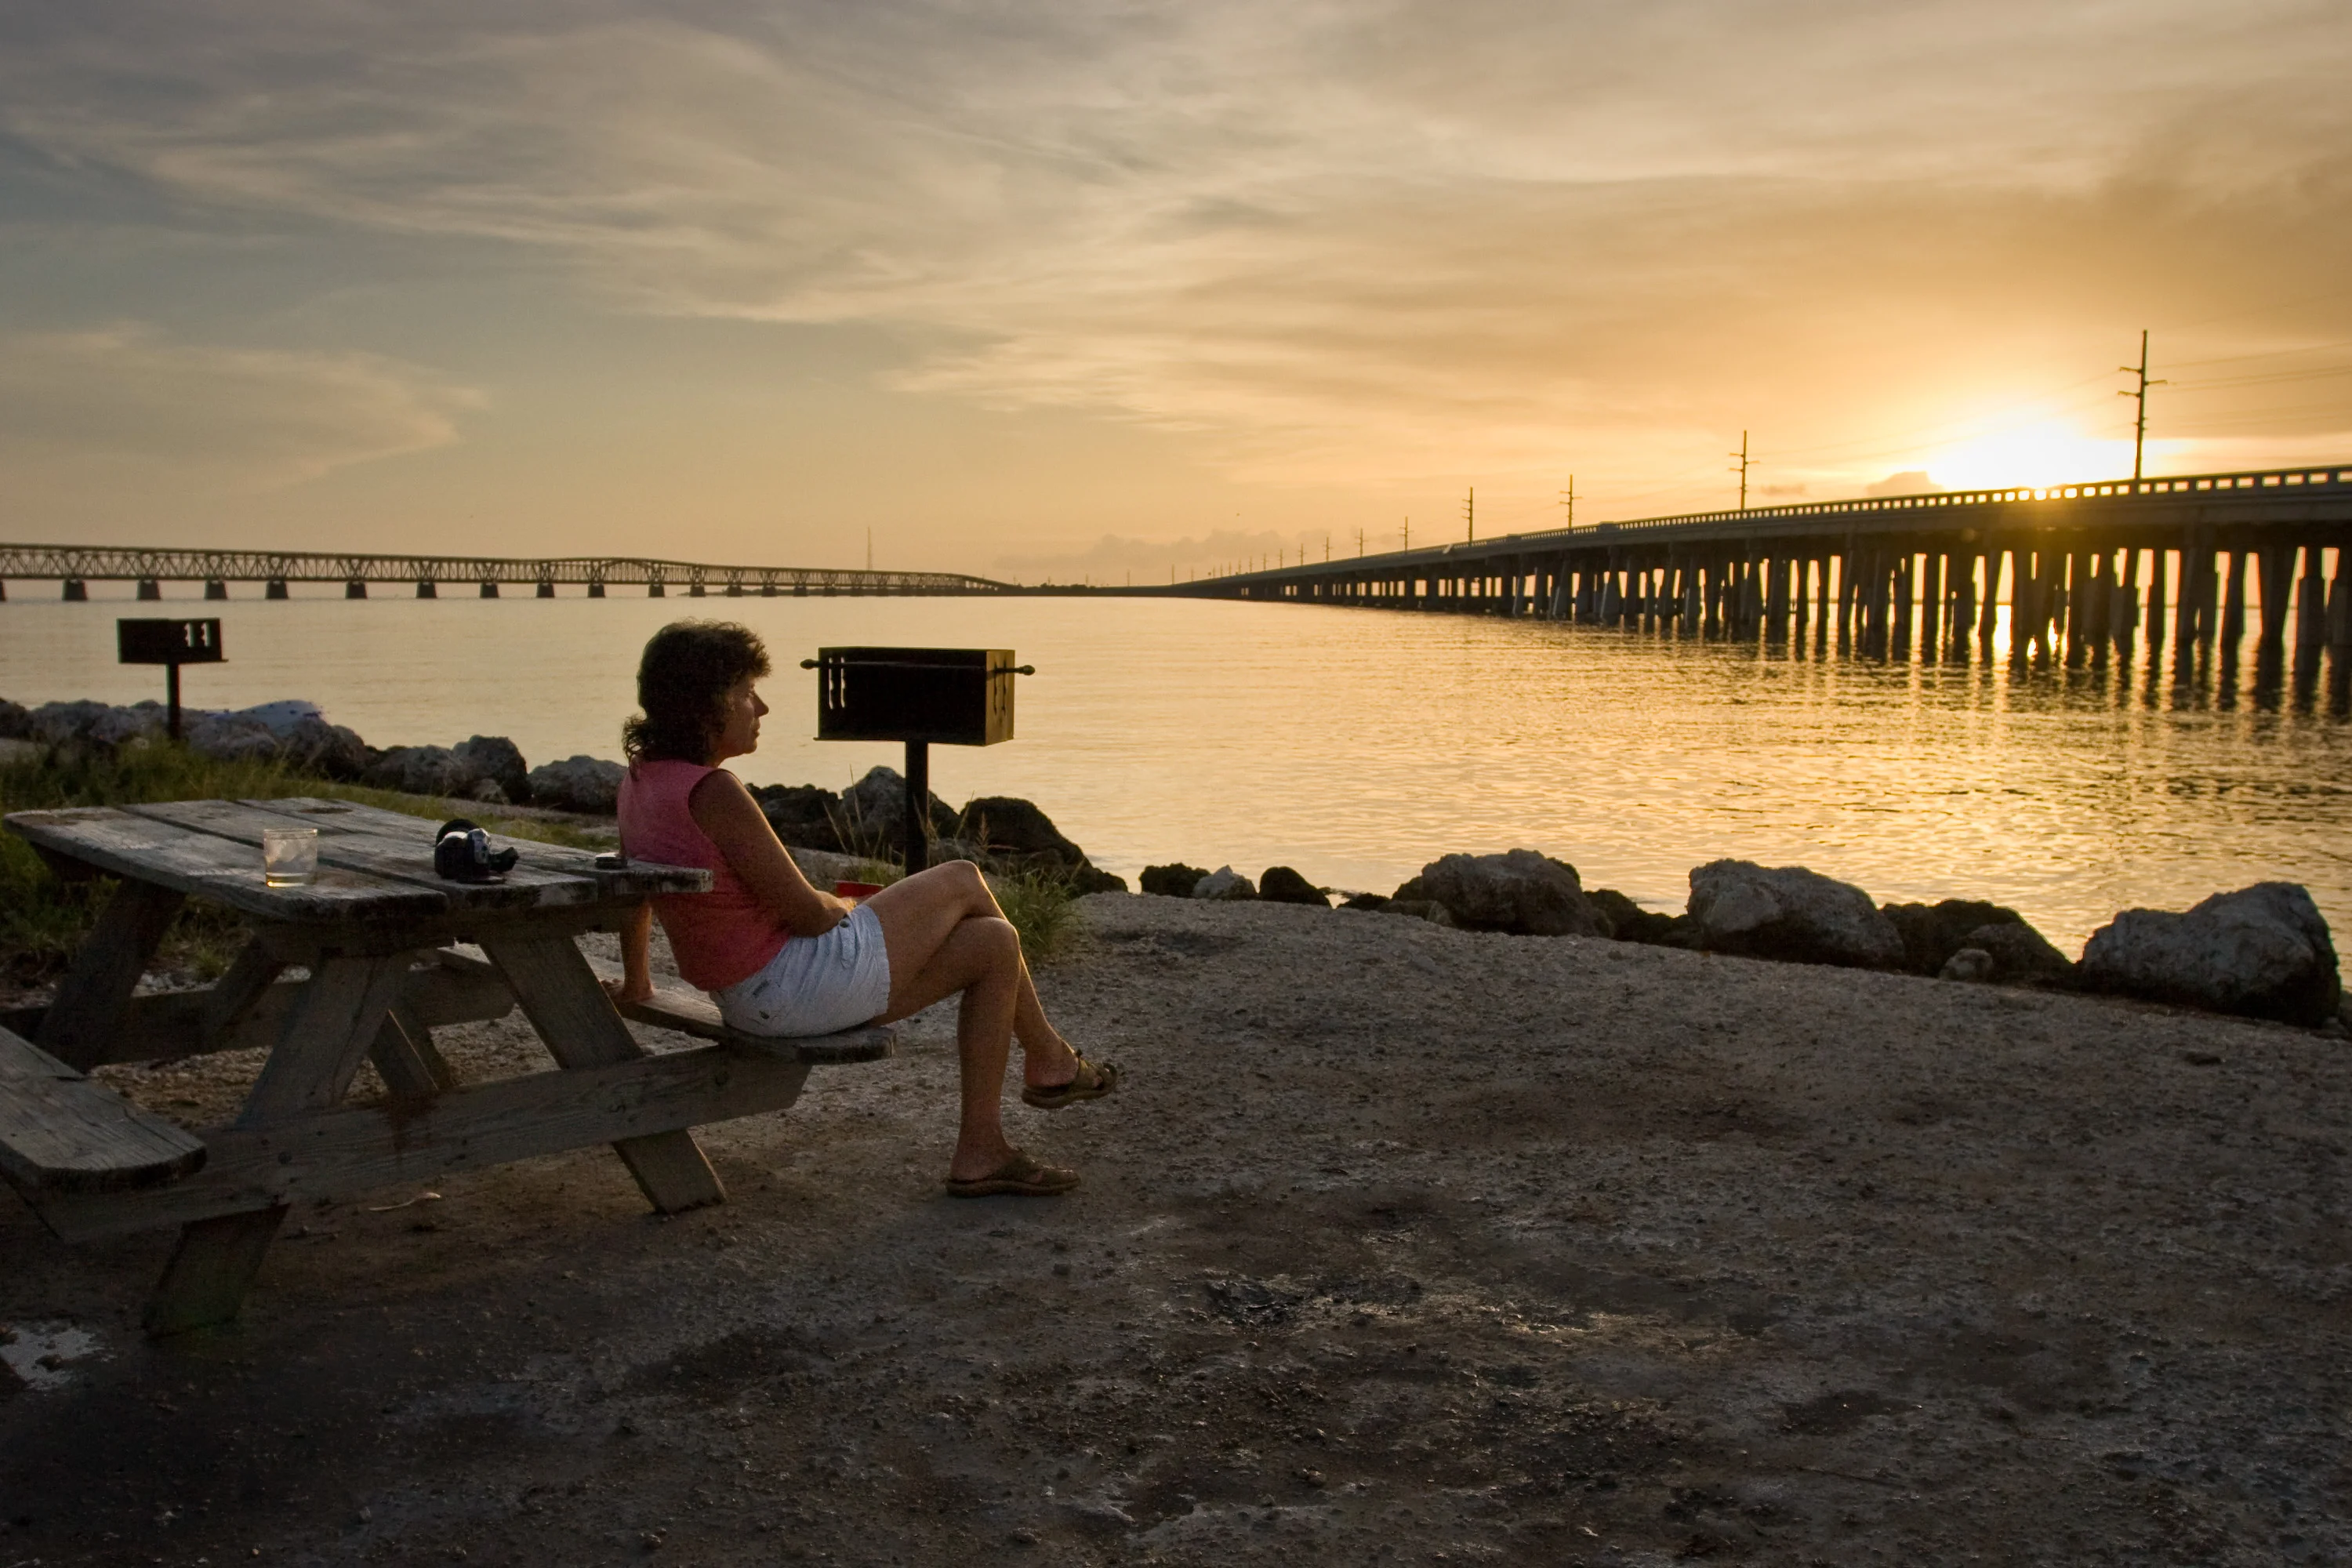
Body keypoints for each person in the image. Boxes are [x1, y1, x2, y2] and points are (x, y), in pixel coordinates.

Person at [607, 620, 1116, 1197]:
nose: (763, 707)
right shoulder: (715, 793)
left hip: (752, 997)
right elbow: (808, 916)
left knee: (995, 942)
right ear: (709, 704)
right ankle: (1051, 1060)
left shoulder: (640, 781)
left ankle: (982, 1150)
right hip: (794, 986)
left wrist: (637, 983)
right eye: (749, 692)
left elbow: (633, 889)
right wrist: (845, 904)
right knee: (963, 877)